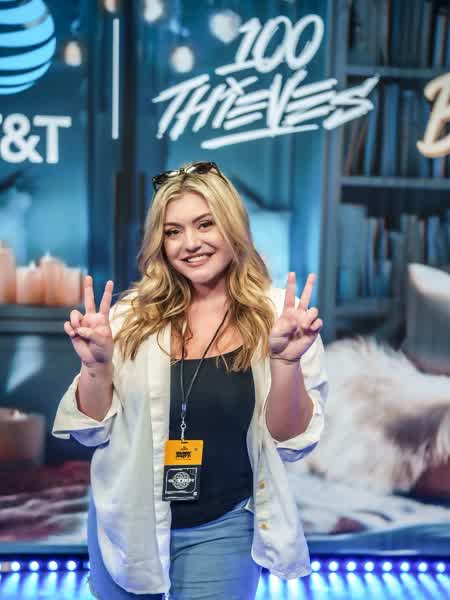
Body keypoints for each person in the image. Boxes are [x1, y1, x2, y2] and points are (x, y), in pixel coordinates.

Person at [52, 161, 328, 600]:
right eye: (173, 231)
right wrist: (96, 367)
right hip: (129, 523)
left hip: (224, 524)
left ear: (232, 227)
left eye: (205, 224)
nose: (191, 243)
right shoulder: (128, 318)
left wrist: (286, 362)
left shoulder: (281, 317)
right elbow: (91, 432)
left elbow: (291, 440)